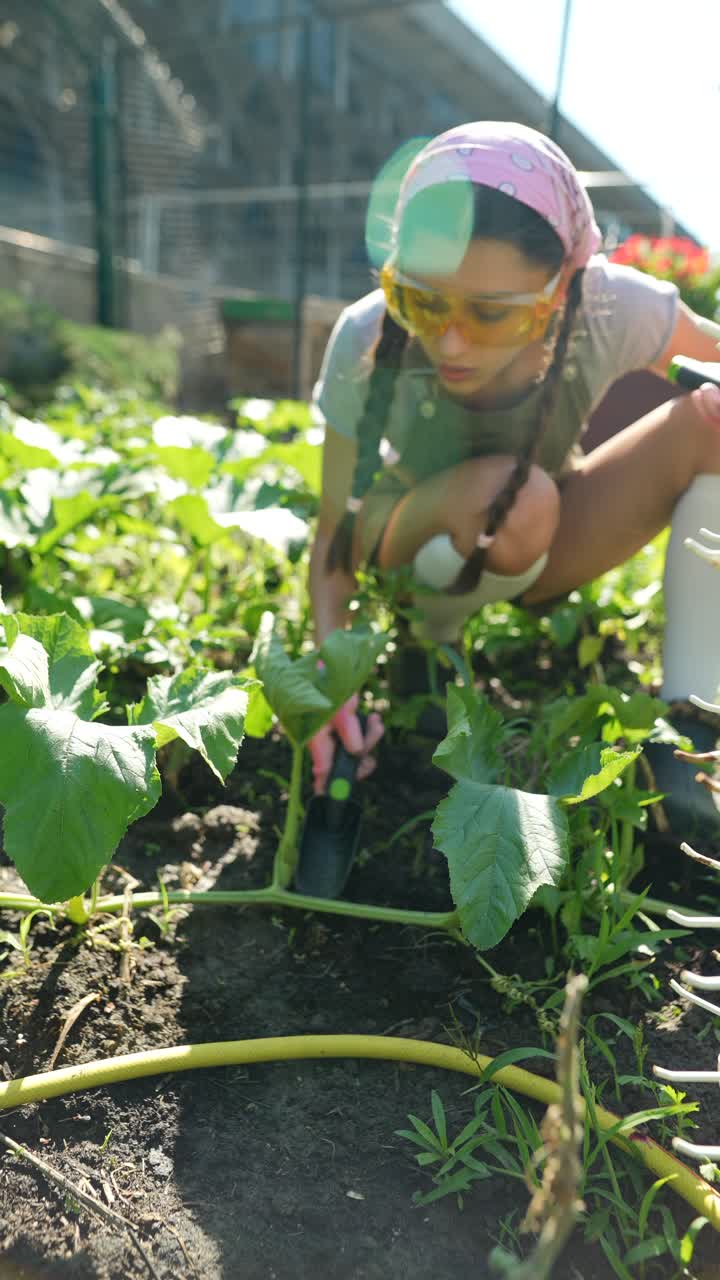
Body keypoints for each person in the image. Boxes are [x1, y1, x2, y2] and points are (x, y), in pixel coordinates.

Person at [307, 121, 720, 841]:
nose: (452, 343)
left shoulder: (612, 305)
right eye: (423, 301)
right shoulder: (365, 335)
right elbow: (334, 538)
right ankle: (430, 640)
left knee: (708, 423)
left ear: (560, 289)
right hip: (408, 537)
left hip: (543, 527)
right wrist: (327, 679)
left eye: (493, 314)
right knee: (513, 493)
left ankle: (695, 723)